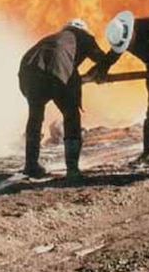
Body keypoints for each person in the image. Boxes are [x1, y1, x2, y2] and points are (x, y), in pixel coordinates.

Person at [18, 19, 112, 178]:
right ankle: (72, 170)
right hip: (58, 71)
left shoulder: (53, 37)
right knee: (71, 116)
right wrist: (100, 72)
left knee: (35, 116)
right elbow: (102, 59)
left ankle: (31, 165)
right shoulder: (84, 37)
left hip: (29, 70)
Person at [93, 10, 149, 166]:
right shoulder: (122, 36)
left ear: (131, 32)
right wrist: (101, 70)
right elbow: (113, 55)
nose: (128, 47)